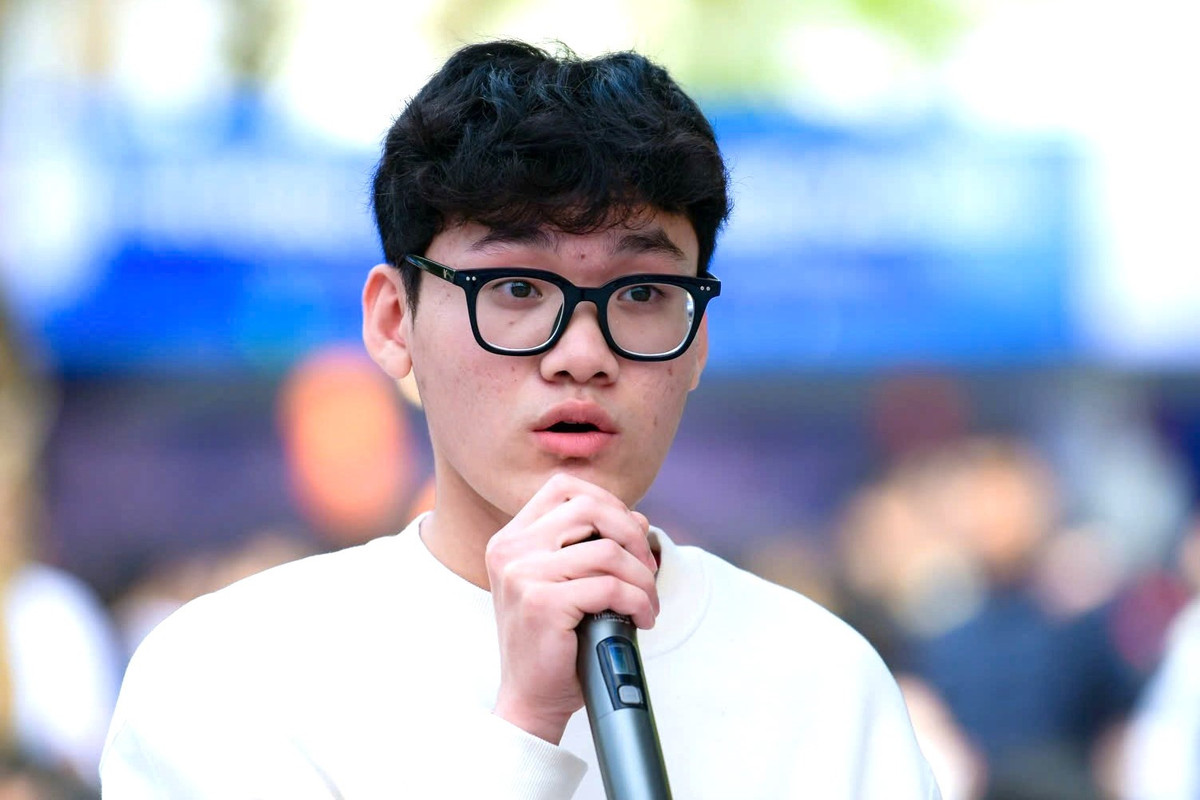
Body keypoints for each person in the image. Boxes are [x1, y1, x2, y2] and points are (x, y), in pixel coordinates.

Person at [101, 40, 939, 798]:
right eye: (515, 288)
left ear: (697, 343)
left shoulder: (825, 683)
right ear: (394, 322)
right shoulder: (229, 676)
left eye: (642, 293)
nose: (583, 353)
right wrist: (526, 729)